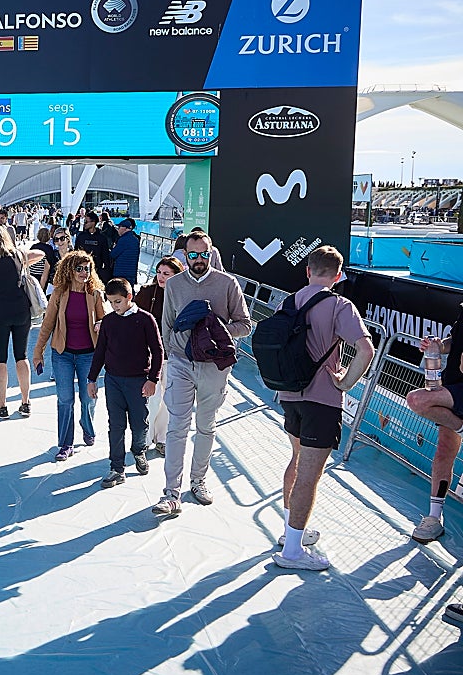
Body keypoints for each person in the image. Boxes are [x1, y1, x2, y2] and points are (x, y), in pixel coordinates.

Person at [273, 246, 374, 570]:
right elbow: (366, 349)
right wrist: (345, 383)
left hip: (290, 396)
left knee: (296, 460)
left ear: (308, 271)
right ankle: (292, 552)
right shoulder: (340, 305)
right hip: (322, 400)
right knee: (309, 474)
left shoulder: (289, 302)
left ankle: (291, 531)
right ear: (338, 276)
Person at [152, 232, 251, 516]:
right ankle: (171, 493)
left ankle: (198, 481)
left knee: (206, 426)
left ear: (211, 253)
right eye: (193, 254)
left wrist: (214, 332)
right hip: (181, 363)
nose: (198, 259)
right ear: (185, 255)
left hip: (214, 367)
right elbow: (167, 324)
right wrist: (172, 353)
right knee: (177, 427)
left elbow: (245, 324)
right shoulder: (174, 284)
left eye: (204, 254)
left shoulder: (227, 283)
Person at [87, 278, 163, 487]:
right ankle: (116, 468)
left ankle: (138, 451)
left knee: (139, 423)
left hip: (138, 382)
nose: (114, 306)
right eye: (111, 302)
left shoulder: (145, 319)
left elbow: (157, 351)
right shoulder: (109, 321)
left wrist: (152, 379)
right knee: (116, 425)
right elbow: (100, 351)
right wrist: (92, 379)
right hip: (113, 381)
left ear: (129, 297)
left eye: (118, 301)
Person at [33, 250, 106, 459]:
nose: (84, 273)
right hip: (62, 354)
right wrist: (38, 352)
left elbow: (106, 321)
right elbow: (47, 324)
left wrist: (101, 323)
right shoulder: (60, 293)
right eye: (79, 268)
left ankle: (87, 424)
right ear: (69, 270)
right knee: (65, 399)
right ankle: (66, 443)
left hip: (88, 355)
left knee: (88, 397)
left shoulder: (95, 294)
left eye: (87, 269)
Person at [404, 303, 463, 544]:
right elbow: (455, 341)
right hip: (454, 386)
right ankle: (433, 517)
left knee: (417, 400)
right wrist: (439, 345)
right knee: (444, 451)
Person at [0, 225, 45, 418]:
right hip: (21, 310)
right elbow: (40, 254)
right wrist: (21, 256)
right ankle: (25, 402)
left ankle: (1, 405)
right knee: (21, 355)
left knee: (0, 359)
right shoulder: (18, 256)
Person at [135, 257, 183, 455]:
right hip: (150, 354)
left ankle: (162, 438)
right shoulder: (147, 292)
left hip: (174, 354)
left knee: (168, 400)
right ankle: (145, 438)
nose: (161, 277)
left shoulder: (182, 296)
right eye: (159, 272)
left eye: (166, 274)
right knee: (151, 398)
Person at [75, 212, 112, 284]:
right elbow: (76, 252)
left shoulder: (102, 238)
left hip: (97, 271)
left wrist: (106, 271)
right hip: (82, 271)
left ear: (93, 222)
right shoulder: (81, 236)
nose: (84, 224)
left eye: (86, 222)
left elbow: (105, 256)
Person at [111, 218, 141, 283]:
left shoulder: (123, 240)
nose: (118, 229)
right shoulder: (135, 239)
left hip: (121, 273)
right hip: (131, 273)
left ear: (125, 228)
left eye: (119, 227)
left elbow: (113, 254)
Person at [29, 227, 59, 292]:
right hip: (42, 276)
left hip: (32, 274)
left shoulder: (34, 247)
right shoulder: (49, 249)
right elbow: (51, 263)